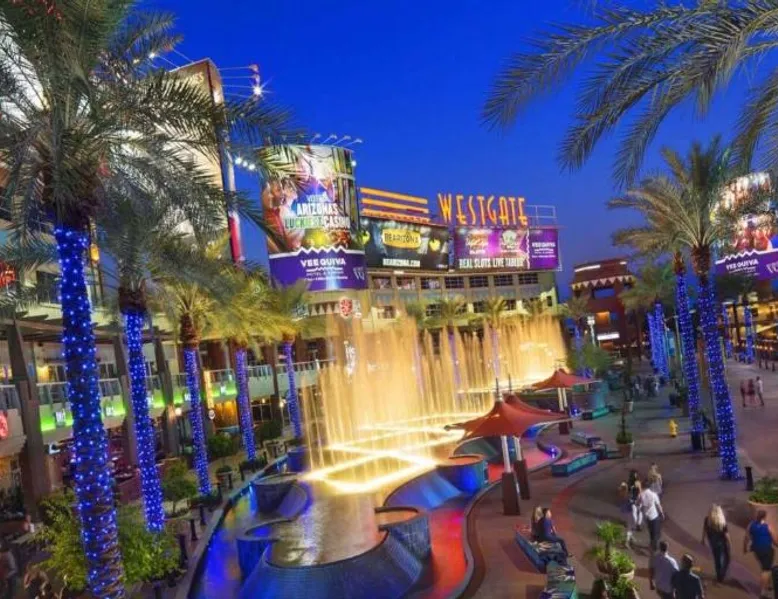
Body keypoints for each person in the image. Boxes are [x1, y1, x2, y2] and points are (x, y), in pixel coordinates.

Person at [744, 509, 777, 599]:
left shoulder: (751, 525)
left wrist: (745, 548)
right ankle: (763, 592)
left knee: (765, 566)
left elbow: (746, 537)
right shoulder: (768, 527)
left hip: (757, 550)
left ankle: (769, 585)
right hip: (767, 549)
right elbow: (775, 540)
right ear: (764, 517)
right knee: (766, 570)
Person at [702, 503, 731, 583]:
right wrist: (730, 543)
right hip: (722, 543)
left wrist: (703, 539)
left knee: (717, 559)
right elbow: (726, 535)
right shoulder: (721, 522)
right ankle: (722, 574)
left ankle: (719, 576)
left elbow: (704, 530)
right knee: (727, 558)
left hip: (713, 543)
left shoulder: (707, 520)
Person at [640, 482, 665, 552]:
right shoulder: (653, 494)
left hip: (647, 517)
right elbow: (658, 505)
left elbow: (638, 503)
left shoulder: (641, 494)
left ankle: (651, 544)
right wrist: (662, 513)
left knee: (651, 531)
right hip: (654, 516)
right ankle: (655, 547)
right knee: (656, 532)